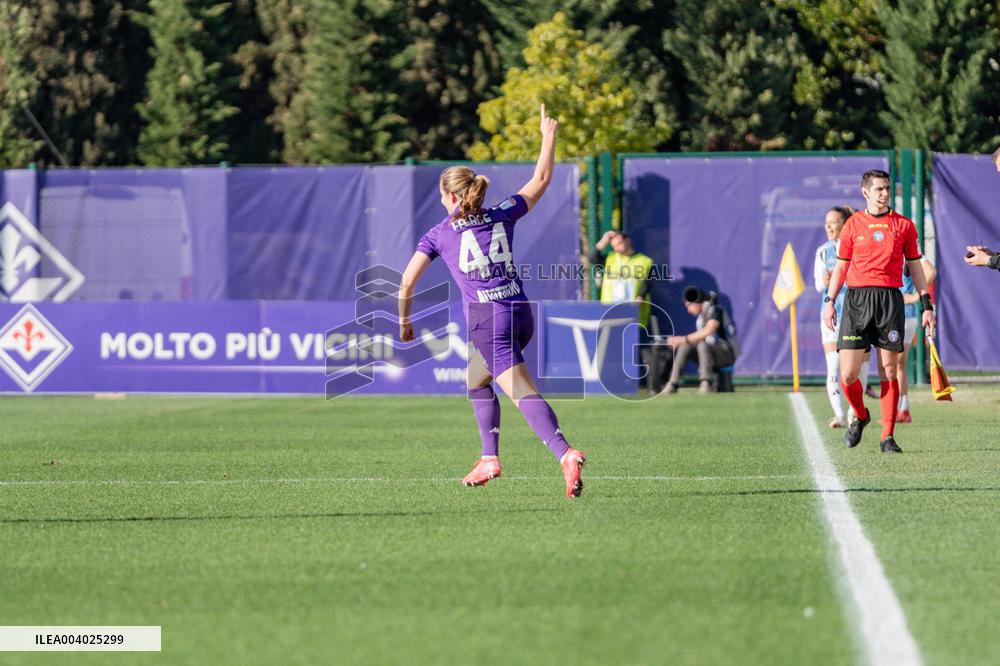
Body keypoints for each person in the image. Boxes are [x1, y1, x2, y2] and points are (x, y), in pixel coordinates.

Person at [397, 104, 586, 498]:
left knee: (521, 392)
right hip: (520, 311)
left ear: (450, 195)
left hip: (489, 320)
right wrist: (548, 136)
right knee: (476, 379)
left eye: (442, 196)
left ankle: (565, 453)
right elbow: (542, 178)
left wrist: (404, 321)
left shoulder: (439, 233)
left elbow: (406, 282)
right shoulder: (502, 214)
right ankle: (488, 458)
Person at [823, 169, 936, 453]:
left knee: (889, 370)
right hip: (857, 302)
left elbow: (916, 268)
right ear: (865, 192)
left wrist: (926, 305)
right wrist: (829, 301)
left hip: (889, 301)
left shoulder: (904, 226)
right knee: (848, 375)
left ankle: (887, 436)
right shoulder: (853, 225)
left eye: (887, 188)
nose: (885, 193)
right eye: (879, 189)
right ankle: (861, 415)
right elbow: (841, 267)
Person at [814, 206, 853, 428]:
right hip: (830, 315)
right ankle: (839, 414)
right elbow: (818, 285)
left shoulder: (856, 247)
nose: (828, 226)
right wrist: (826, 281)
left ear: (844, 224)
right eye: (826, 222)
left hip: (855, 315)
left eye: (833, 222)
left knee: (854, 370)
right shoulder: (823, 251)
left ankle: (854, 412)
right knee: (834, 366)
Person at [660, 286, 735, 394]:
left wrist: (682, 339)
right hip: (711, 353)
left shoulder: (715, 309)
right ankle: (672, 383)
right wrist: (681, 342)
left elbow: (709, 330)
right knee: (685, 346)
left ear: (697, 302)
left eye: (689, 305)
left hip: (726, 355)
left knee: (701, 344)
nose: (688, 309)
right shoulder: (701, 318)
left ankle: (706, 383)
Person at [895, 259, 936, 423]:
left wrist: (914, 297)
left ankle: (900, 408)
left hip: (903, 314)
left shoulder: (909, 250)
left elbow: (931, 272)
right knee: (894, 364)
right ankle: (900, 408)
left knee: (895, 363)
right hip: (890, 313)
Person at [588, 230, 654, 328]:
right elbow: (592, 258)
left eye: (618, 244)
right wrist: (604, 240)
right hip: (609, 311)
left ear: (627, 241)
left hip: (631, 313)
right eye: (614, 246)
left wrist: (641, 296)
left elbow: (648, 283)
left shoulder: (645, 261)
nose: (616, 248)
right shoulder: (610, 258)